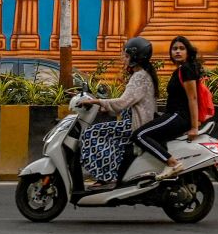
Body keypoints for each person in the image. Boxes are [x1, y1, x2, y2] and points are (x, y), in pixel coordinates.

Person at [78, 36, 158, 190]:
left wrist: (95, 102)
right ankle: (110, 174)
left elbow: (122, 102)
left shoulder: (139, 77)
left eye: (127, 56)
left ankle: (107, 177)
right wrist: (105, 107)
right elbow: (127, 103)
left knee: (92, 132)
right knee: (105, 132)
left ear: (135, 57)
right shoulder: (141, 75)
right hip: (133, 123)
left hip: (134, 126)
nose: (123, 58)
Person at [134, 35, 204, 180]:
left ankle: (172, 164)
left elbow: (193, 98)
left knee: (139, 135)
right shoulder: (180, 70)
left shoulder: (186, 69)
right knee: (153, 135)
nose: (177, 51)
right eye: (174, 49)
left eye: (181, 48)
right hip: (173, 115)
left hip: (178, 116)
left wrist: (194, 127)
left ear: (188, 52)